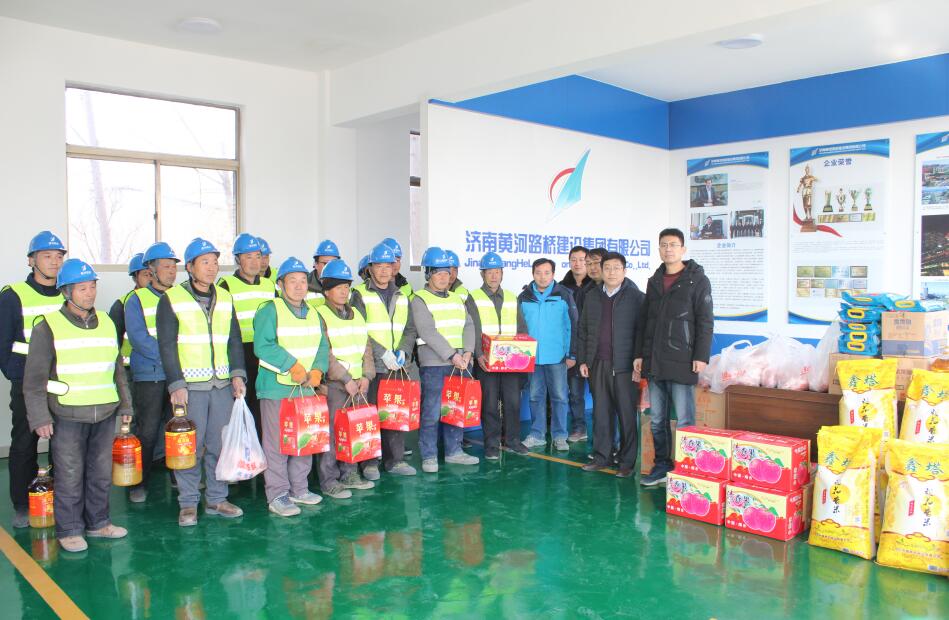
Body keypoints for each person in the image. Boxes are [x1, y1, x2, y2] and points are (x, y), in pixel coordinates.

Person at [24, 259, 132, 552]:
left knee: (100, 473)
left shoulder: (107, 322)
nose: (90, 293)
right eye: (82, 288)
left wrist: (126, 407)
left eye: (92, 286)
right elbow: (33, 380)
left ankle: (99, 523)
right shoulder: (48, 326)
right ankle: (70, 529)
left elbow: (117, 370)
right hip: (67, 414)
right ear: (66, 291)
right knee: (70, 474)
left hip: (105, 412)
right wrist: (39, 418)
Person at [157, 237, 246, 526]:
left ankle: (217, 498)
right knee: (189, 448)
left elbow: (234, 340)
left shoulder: (225, 297)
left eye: (215, 262)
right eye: (205, 262)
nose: (211, 267)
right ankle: (188, 503)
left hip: (221, 384)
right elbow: (167, 345)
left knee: (219, 444)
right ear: (190, 267)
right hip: (190, 388)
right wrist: (176, 384)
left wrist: (237, 374)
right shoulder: (172, 298)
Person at [634, 228, 714, 487]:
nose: (668, 249)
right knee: (657, 419)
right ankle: (662, 466)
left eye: (673, 244)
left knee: (685, 419)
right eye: (664, 245)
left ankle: (687, 467)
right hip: (655, 360)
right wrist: (639, 355)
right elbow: (645, 321)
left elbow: (705, 320)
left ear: (683, 249)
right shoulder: (654, 281)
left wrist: (701, 355)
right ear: (659, 249)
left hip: (683, 358)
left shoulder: (697, 280)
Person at [253, 257, 329, 516]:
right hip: (277, 387)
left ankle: (300, 488)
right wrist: (292, 366)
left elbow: (322, 346)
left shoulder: (314, 313)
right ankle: (278, 494)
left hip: (306, 387)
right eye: (292, 281)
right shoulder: (270, 309)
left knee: (304, 439)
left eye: (303, 281)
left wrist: (318, 370)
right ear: (280, 284)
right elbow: (263, 346)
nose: (298, 286)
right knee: (277, 443)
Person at [0, 231, 66, 529]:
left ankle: (60, 499)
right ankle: (23, 505)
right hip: (29, 385)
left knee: (63, 445)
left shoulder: (68, 293)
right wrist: (20, 378)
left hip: (63, 384)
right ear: (31, 261)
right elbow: (3, 344)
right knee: (25, 443)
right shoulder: (13, 295)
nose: (54, 262)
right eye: (47, 256)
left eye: (58, 256)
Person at [350, 243, 418, 477]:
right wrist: (383, 353)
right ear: (370, 268)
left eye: (387, 266)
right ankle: (369, 462)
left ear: (393, 268)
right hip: (373, 365)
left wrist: (403, 351)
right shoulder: (359, 294)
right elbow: (359, 329)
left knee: (394, 413)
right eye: (378, 266)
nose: (383, 271)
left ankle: (395, 461)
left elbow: (410, 329)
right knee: (370, 414)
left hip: (397, 366)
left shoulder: (402, 296)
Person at [411, 246, 478, 472]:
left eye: (446, 273)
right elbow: (427, 331)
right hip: (435, 364)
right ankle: (429, 455)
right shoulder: (419, 299)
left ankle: (454, 451)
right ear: (428, 274)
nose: (443, 277)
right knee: (431, 411)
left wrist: (468, 352)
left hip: (460, 363)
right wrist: (453, 355)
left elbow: (469, 325)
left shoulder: (457, 298)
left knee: (455, 409)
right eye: (438, 273)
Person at [577, 252, 644, 478]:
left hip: (625, 367)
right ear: (601, 270)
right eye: (607, 268)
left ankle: (626, 462)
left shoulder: (636, 297)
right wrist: (584, 360)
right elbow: (583, 330)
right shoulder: (592, 296)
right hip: (598, 364)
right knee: (601, 413)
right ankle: (601, 457)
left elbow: (642, 332)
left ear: (624, 271)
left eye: (617, 268)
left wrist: (639, 360)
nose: (612, 272)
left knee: (626, 415)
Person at [315, 259, 376, 497]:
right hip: (336, 385)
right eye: (338, 287)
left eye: (346, 286)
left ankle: (350, 473)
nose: (343, 291)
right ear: (326, 290)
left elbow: (366, 348)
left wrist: (367, 376)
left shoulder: (356, 314)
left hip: (358, 385)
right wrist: (346, 378)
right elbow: (325, 352)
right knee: (332, 433)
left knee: (353, 430)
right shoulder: (319, 314)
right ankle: (329, 479)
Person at [124, 241, 179, 503]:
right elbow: (138, 338)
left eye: (173, 266)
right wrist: (170, 358)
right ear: (151, 270)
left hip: (177, 375)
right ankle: (138, 483)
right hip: (150, 375)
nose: (171, 271)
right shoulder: (136, 300)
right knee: (146, 432)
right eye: (166, 266)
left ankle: (178, 476)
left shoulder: (181, 297)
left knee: (177, 428)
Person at [465, 252, 529, 460]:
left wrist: (523, 352)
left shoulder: (511, 297)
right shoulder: (474, 297)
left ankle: (512, 440)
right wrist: (478, 354)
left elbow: (521, 327)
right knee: (490, 404)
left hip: (511, 361)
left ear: (502, 274)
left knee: (513, 402)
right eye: (489, 272)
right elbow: (472, 328)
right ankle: (491, 444)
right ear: (482, 274)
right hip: (486, 362)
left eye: (497, 272)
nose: (494, 276)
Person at [217, 233, 278, 438]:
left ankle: (261, 449)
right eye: (248, 256)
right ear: (237, 259)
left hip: (266, 353)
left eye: (258, 256)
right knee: (241, 403)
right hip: (239, 352)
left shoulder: (270, 286)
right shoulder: (225, 285)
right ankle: (243, 450)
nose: (254, 262)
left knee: (262, 405)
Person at [518, 258, 577, 452]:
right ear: (532, 274)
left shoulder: (564, 295)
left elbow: (572, 326)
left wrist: (571, 354)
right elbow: (518, 327)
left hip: (557, 357)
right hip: (531, 358)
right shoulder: (524, 297)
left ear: (553, 274)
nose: (542, 277)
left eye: (547, 273)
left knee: (560, 397)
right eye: (538, 273)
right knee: (535, 396)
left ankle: (560, 436)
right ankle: (537, 434)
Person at [560, 246, 593, 443]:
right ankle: (579, 428)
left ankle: (605, 433)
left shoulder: (597, 285)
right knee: (575, 393)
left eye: (582, 259)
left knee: (601, 394)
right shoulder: (562, 288)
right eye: (574, 259)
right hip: (572, 347)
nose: (578, 263)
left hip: (594, 347)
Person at [109, 252, 150, 371]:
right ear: (135, 277)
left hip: (158, 366)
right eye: (145, 274)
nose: (150, 278)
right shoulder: (122, 304)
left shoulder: (165, 300)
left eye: (152, 274)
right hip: (129, 369)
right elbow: (114, 341)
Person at [306, 239, 340, 309]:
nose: (330, 268)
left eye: (334, 264)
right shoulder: (302, 287)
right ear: (316, 264)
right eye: (325, 263)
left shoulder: (344, 286)